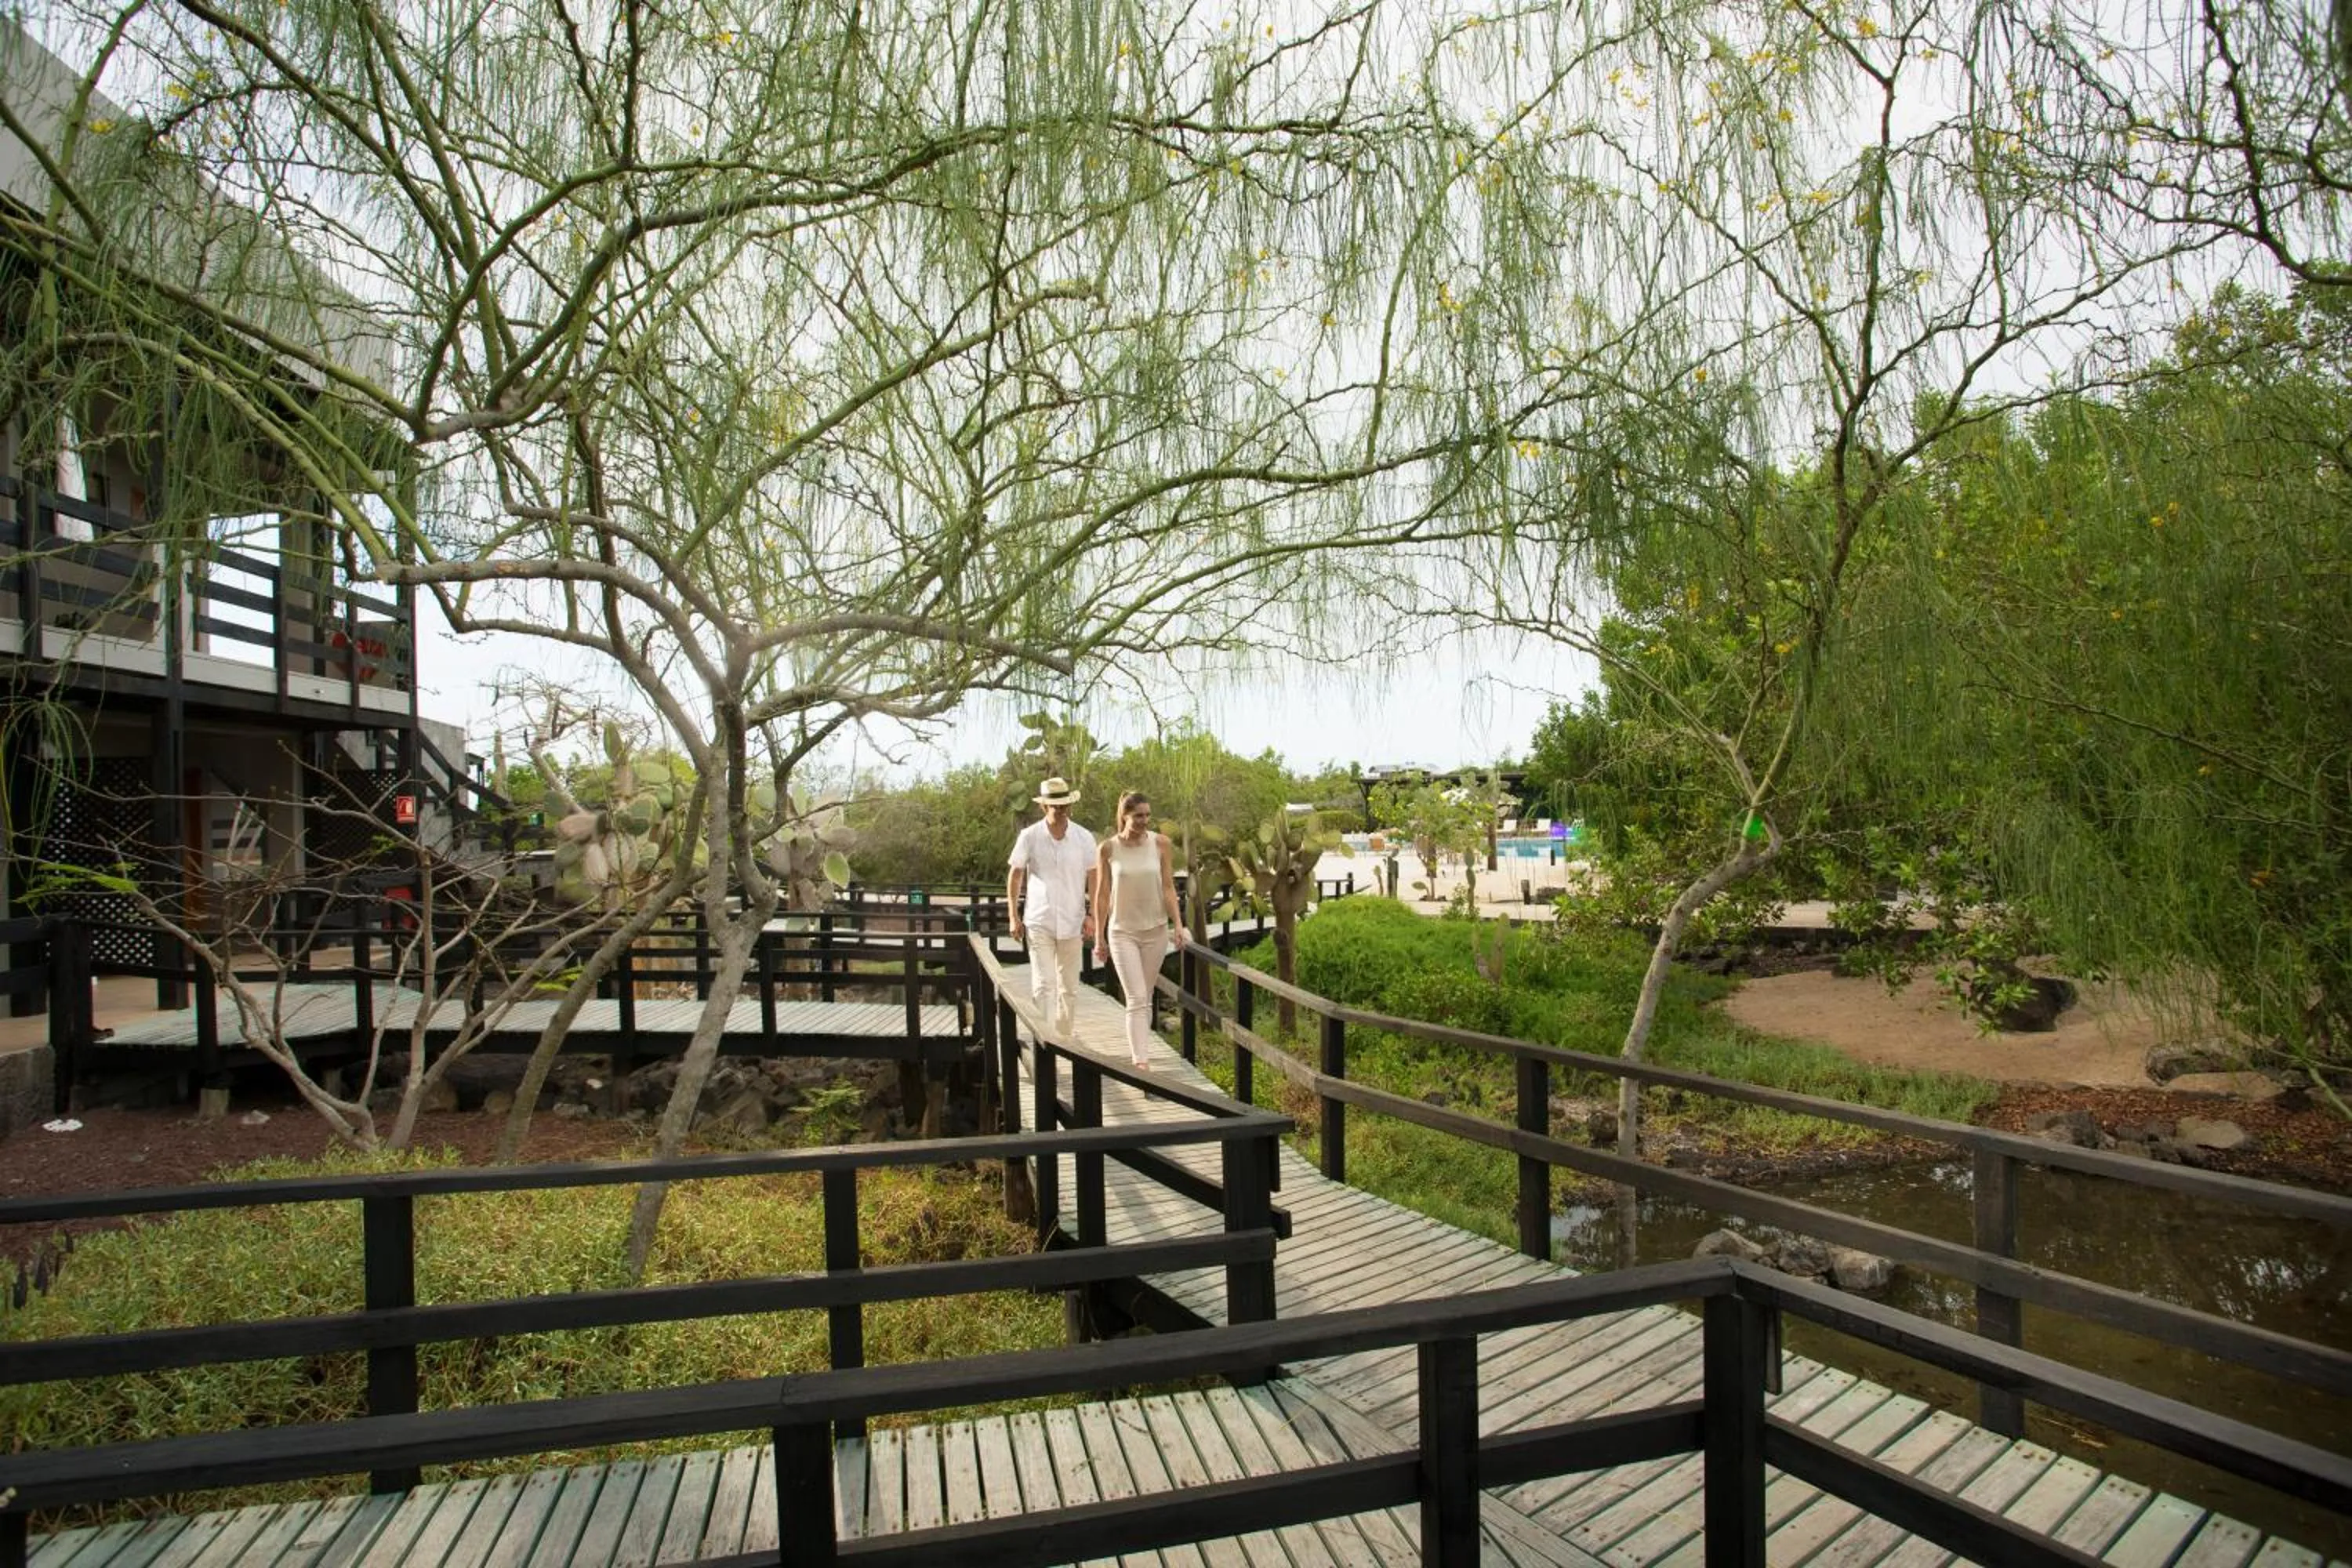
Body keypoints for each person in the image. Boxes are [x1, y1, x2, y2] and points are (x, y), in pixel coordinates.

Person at [1092, 790, 1182, 1069]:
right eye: (1138, 816)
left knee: (1147, 995)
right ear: (1125, 816)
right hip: (1122, 932)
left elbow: (1168, 887)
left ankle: (1143, 1049)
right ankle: (1140, 1062)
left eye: (1147, 815)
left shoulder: (1161, 844)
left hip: (1155, 929)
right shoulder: (1108, 848)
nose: (1144, 821)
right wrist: (1099, 936)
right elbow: (1102, 894)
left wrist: (1178, 924)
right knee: (1136, 997)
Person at [1006, 776, 1096, 1039]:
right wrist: (1013, 915)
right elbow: (1015, 874)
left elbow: (1094, 876)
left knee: (1069, 987)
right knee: (1044, 985)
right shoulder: (1030, 836)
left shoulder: (1083, 837)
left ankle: (1065, 1040)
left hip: (1072, 920)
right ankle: (1045, 1041)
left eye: (1064, 804)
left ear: (1070, 805)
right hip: (1039, 920)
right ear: (1044, 807)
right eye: (1054, 805)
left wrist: (1092, 915)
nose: (1060, 810)